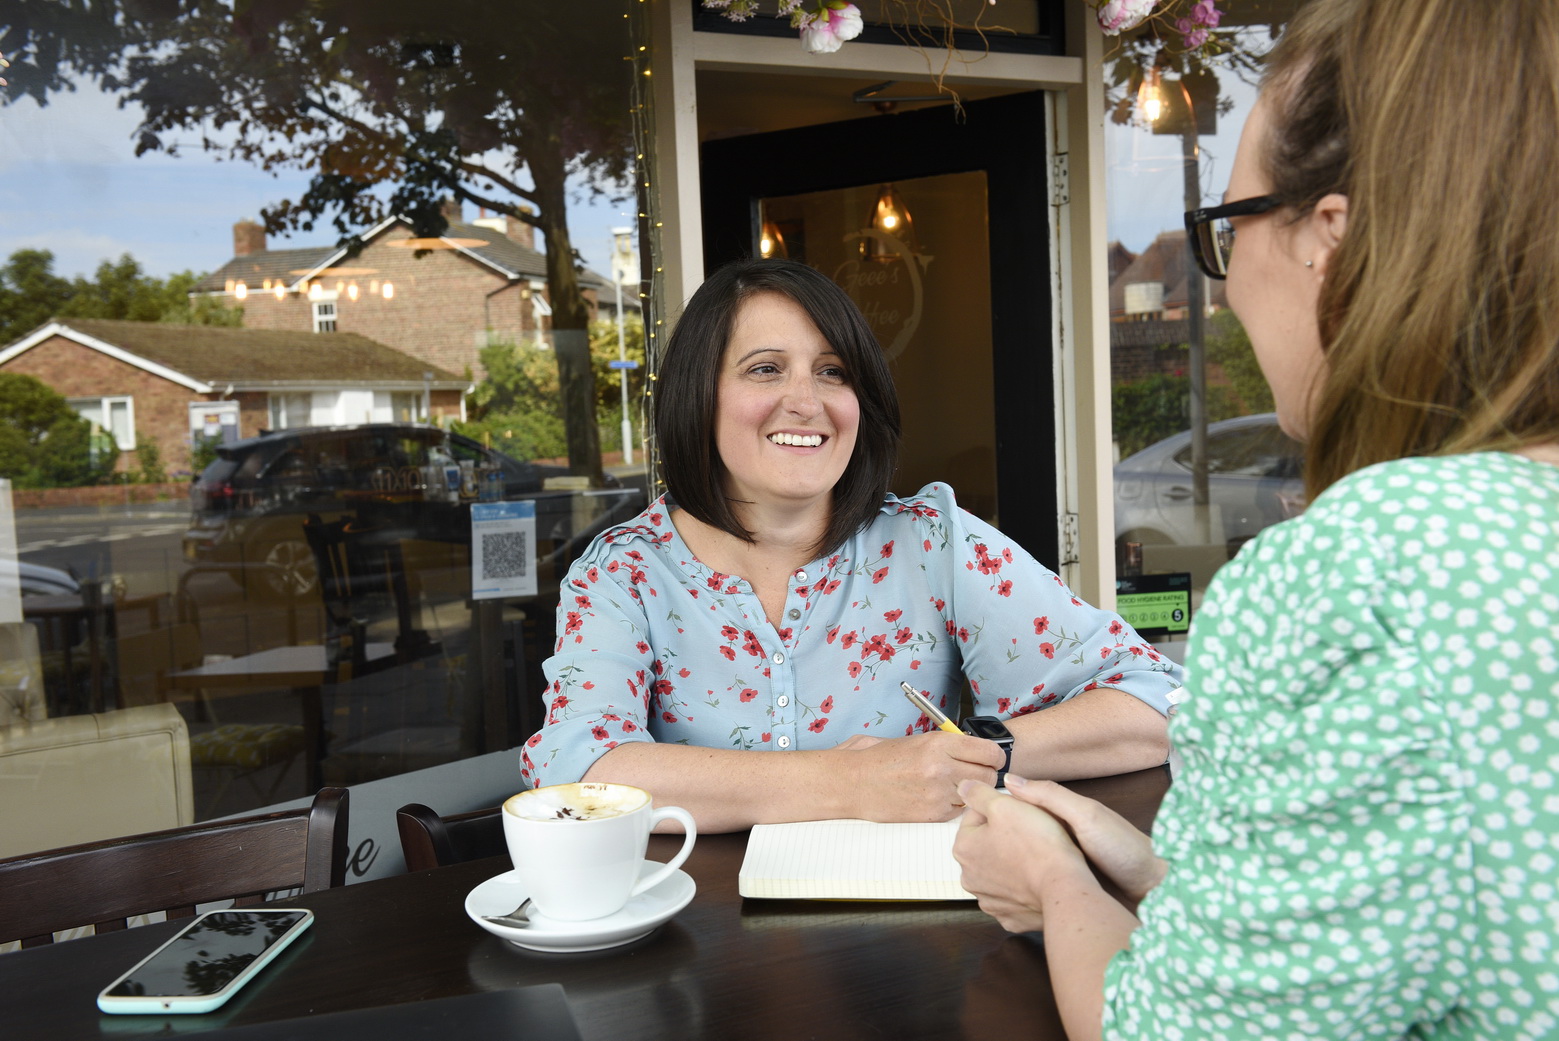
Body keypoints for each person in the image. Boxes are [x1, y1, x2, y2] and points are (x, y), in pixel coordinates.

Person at [951, 0, 1559, 1037]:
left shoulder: (1363, 570)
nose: (1222, 290)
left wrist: (1056, 885)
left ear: (1331, 235)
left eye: (1219, 231)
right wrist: (1152, 869)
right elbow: (1470, 864)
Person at [521, 258, 1183, 831]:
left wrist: (975, 751)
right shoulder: (624, 571)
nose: (805, 400)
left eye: (833, 371)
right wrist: (853, 780)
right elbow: (578, 770)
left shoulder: (931, 543)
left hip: (909, 935)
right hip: (690, 942)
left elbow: (1157, 702)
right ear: (699, 394)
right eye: (765, 369)